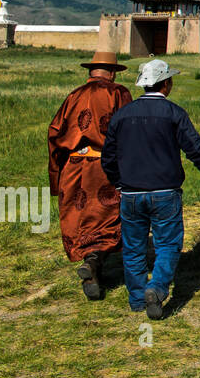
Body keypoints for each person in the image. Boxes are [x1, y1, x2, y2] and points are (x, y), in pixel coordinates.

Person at [102, 59, 200, 319]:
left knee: (133, 247)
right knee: (168, 244)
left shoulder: (122, 115)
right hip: (165, 192)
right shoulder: (174, 113)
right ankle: (157, 288)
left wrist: (118, 182)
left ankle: (137, 299)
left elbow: (108, 157)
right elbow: (194, 148)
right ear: (166, 84)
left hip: (131, 193)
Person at [47, 50, 134, 299]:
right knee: (108, 216)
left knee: (80, 217)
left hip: (73, 166)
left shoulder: (73, 96)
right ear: (112, 72)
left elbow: (54, 133)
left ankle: (90, 261)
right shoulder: (118, 93)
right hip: (104, 166)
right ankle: (94, 261)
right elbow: (128, 130)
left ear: (91, 72)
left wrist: (57, 173)